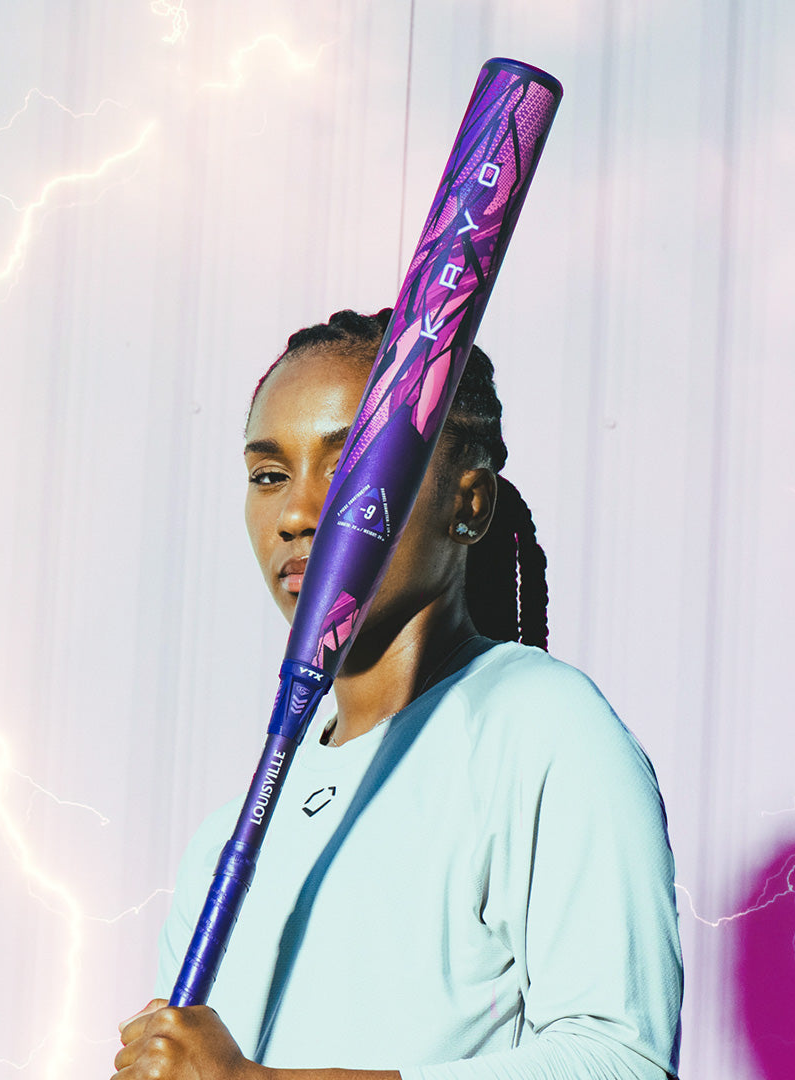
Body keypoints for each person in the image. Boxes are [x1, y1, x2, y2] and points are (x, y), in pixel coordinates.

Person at [113, 310, 683, 1080]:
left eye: (353, 465)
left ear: (469, 503)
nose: (296, 514)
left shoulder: (539, 726)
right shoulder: (226, 838)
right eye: (269, 475)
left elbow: (623, 1061)